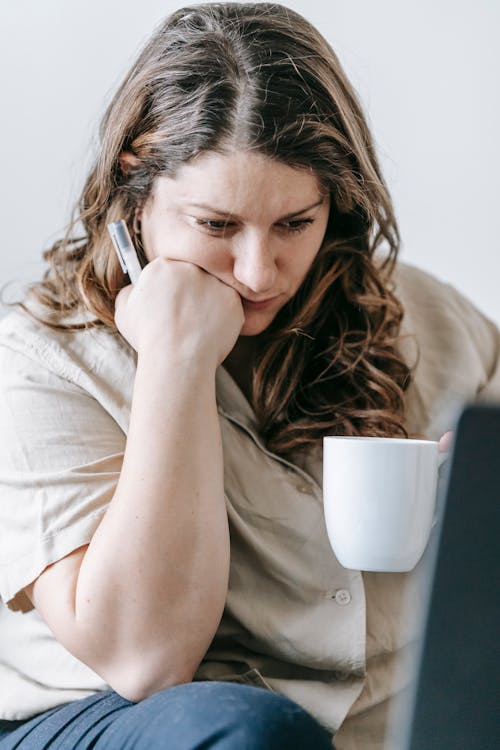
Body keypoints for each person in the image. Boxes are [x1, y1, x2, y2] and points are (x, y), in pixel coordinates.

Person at [0, 3, 498, 749]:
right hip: (133, 717)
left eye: (295, 223)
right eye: (216, 226)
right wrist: (176, 362)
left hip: (387, 719)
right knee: (245, 731)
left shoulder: (432, 319)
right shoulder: (44, 360)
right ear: (135, 189)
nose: (260, 272)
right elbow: (146, 658)